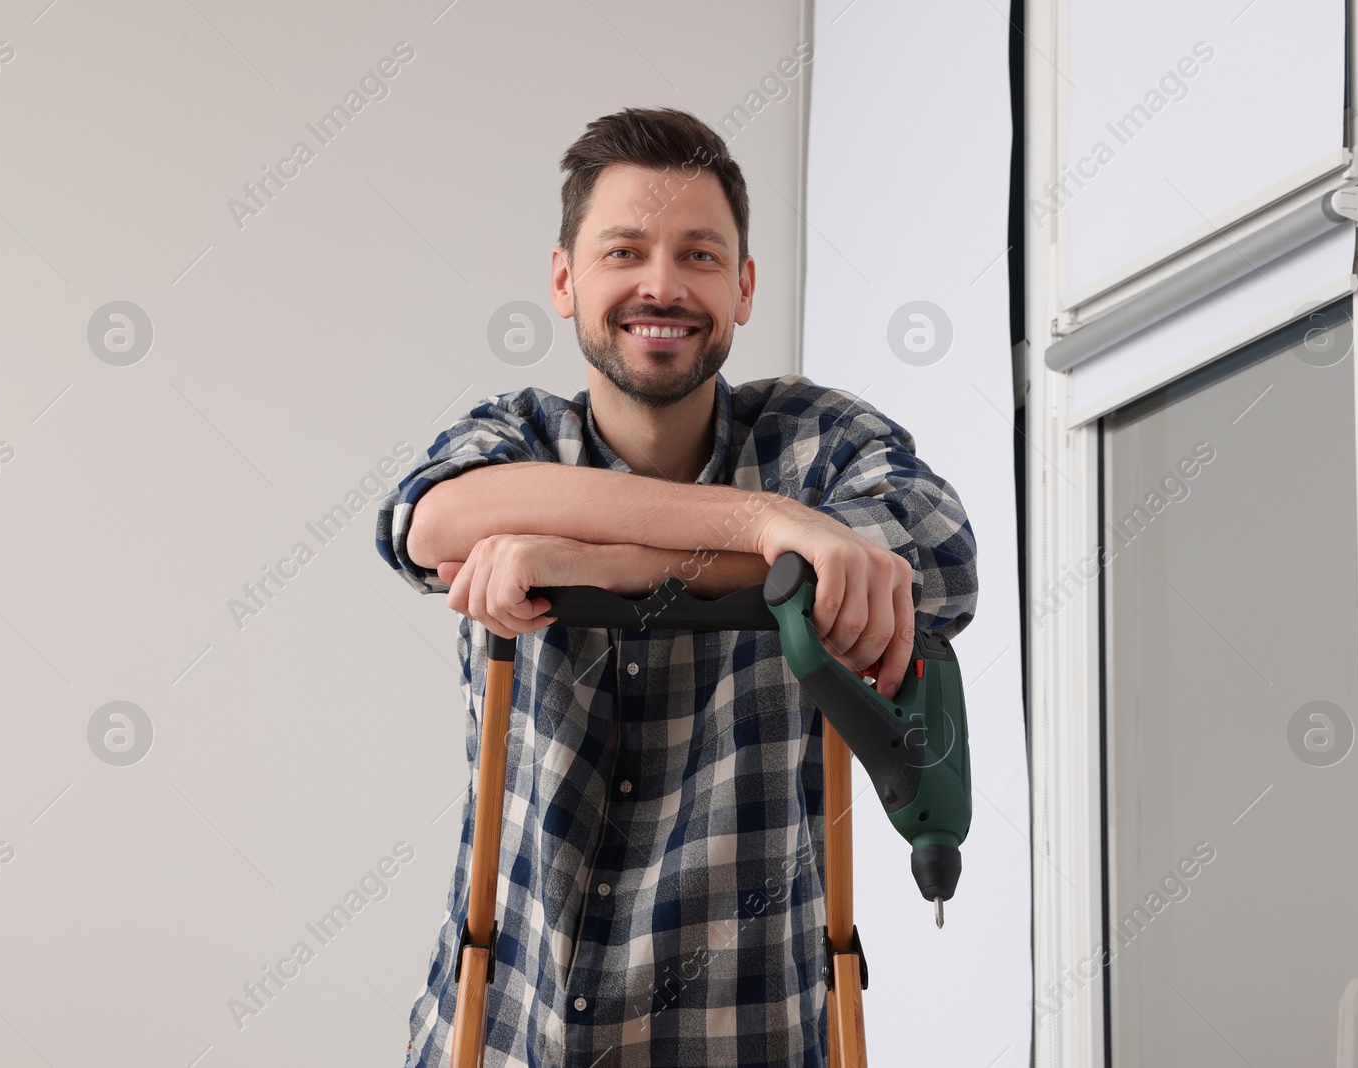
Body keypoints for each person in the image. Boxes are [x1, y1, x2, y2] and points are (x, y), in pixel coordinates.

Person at [375, 106, 978, 1068]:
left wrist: (596, 562)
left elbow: (938, 563)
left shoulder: (815, 441)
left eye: (700, 256)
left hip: (747, 1036)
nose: (663, 284)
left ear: (742, 288)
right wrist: (766, 531)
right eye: (625, 251)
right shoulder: (517, 438)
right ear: (566, 279)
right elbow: (430, 526)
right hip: (503, 1032)